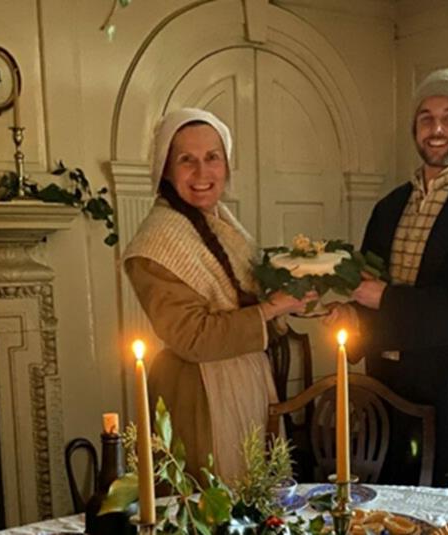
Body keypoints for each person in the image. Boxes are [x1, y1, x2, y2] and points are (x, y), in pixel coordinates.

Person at [328, 68, 448, 496]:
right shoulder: (389, 206)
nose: (436, 129)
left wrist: (384, 297)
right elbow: (368, 290)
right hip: (389, 394)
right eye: (425, 117)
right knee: (389, 513)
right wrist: (351, 315)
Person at [122, 108, 315, 481]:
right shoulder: (154, 245)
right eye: (186, 161)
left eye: (212, 158)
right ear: (165, 168)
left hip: (248, 376)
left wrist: (296, 300)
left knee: (258, 498)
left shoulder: (223, 223)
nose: (202, 173)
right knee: (214, 505)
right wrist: (269, 309)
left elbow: (247, 295)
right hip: (199, 393)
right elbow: (191, 337)